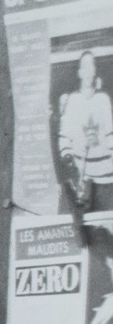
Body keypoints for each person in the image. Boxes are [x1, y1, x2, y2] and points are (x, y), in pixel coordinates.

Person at [57, 49, 113, 210]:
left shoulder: (103, 99)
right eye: (85, 66)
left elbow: (110, 133)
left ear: (95, 70)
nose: (88, 70)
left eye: (91, 66)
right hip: (83, 177)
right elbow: (64, 136)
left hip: (107, 176)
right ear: (79, 72)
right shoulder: (73, 101)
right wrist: (68, 156)